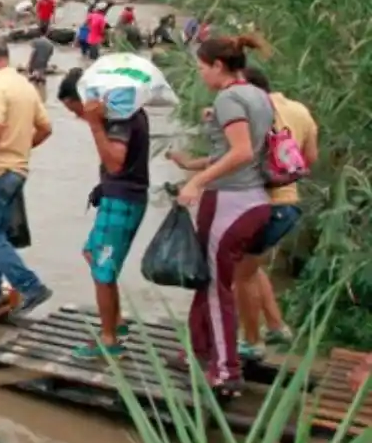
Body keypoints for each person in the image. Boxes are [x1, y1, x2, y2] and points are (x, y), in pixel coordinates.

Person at [176, 66, 316, 360]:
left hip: (263, 203)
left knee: (241, 277)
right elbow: (309, 159)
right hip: (289, 205)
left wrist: (194, 172)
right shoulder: (299, 110)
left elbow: (237, 157)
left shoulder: (254, 111)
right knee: (251, 267)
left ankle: (252, 342)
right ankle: (276, 326)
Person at [169, 35, 275, 395]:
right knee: (209, 277)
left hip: (231, 201)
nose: (200, 75)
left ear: (218, 66)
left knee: (216, 286)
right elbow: (246, 145)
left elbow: (242, 151)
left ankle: (227, 372)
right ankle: (197, 348)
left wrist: (196, 180)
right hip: (253, 200)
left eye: (201, 68)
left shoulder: (229, 97)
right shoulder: (257, 95)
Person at [57, 68, 151, 358]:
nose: (78, 117)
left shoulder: (120, 117)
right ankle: (117, 322)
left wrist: (95, 125)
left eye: (76, 109)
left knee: (102, 268)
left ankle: (108, 340)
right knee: (92, 254)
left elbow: (115, 163)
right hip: (118, 197)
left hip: (123, 201)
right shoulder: (124, 112)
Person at [0, 36, 53, 314]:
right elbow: (45, 128)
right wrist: (22, 147)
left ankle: (31, 286)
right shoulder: (24, 86)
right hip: (18, 170)